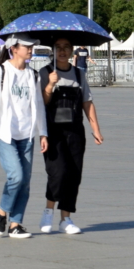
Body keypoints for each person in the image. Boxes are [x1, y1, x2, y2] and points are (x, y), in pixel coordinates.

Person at [0, 34, 48, 239]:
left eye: (32, 46)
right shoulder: (1, 72)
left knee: (25, 182)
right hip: (5, 134)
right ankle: (2, 211)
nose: (30, 49)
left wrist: (43, 133)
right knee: (16, 176)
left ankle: (16, 224)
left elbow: (38, 104)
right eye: (26, 46)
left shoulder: (33, 74)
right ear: (14, 48)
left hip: (27, 134)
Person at [39, 37, 104, 235]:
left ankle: (65, 218)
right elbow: (42, 101)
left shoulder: (78, 73)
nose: (62, 51)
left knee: (74, 174)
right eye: (58, 47)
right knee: (57, 172)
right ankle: (48, 210)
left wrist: (96, 128)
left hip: (75, 131)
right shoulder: (45, 72)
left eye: (66, 47)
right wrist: (50, 85)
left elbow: (87, 102)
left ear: (73, 50)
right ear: (53, 50)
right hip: (53, 132)